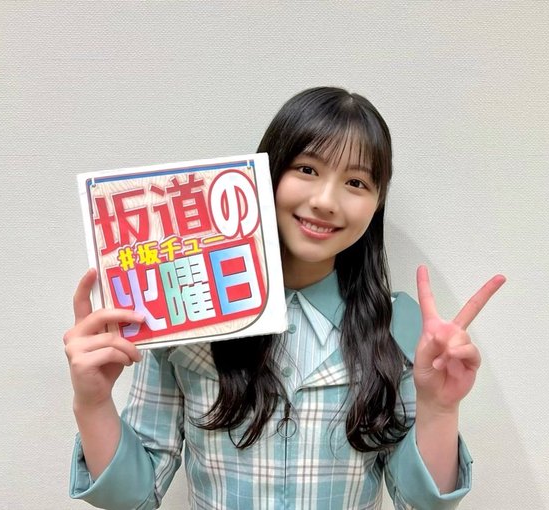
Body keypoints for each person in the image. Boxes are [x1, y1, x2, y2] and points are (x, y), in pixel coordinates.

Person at [65, 87, 505, 510]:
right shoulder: (187, 312)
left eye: (355, 182)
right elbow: (134, 497)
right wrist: (93, 402)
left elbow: (420, 503)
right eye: (307, 170)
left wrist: (439, 409)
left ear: (376, 203)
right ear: (268, 173)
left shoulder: (398, 325)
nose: (326, 201)